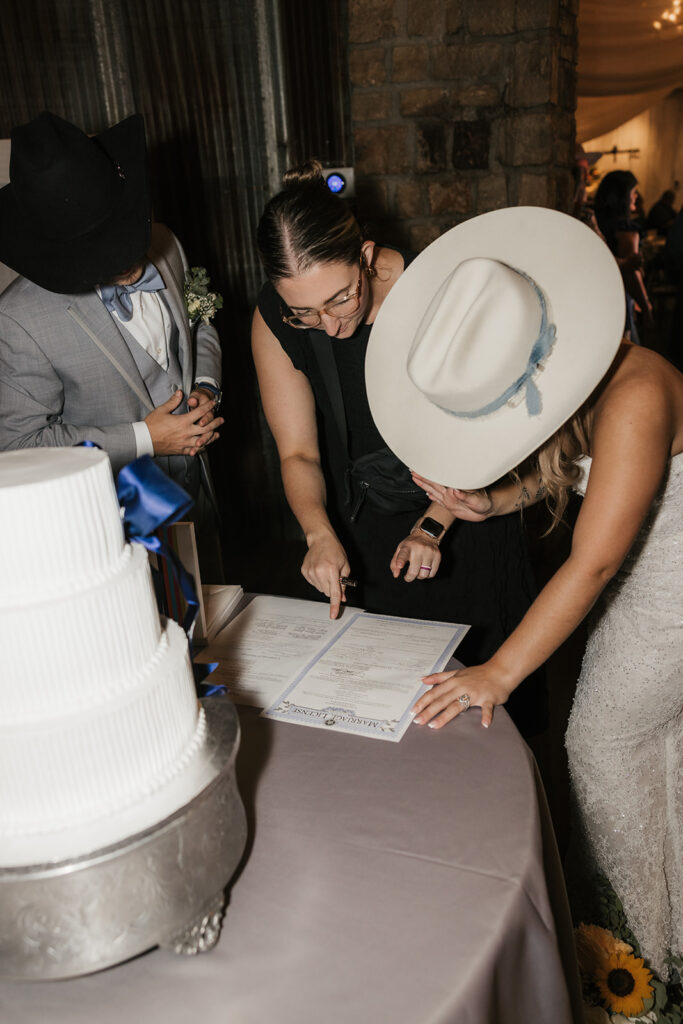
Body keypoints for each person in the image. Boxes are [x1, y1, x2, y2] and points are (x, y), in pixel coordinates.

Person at [364, 205, 682, 978]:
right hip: (642, 563)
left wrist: (497, 673)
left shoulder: (636, 394)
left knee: (599, 743)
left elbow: (593, 561)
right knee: (655, 741)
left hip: (668, 573)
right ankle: (662, 926)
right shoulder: (592, 375)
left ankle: (642, 954)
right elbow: (586, 481)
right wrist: (488, 505)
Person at [251, 161, 544, 734]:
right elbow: (299, 456)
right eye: (304, 312)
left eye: (340, 299)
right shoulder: (275, 318)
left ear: (366, 254)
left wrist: (434, 526)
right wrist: (318, 532)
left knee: (481, 721)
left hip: (466, 513)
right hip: (364, 531)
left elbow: (492, 435)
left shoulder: (441, 291)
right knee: (382, 714)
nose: (330, 326)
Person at [0, 111, 224, 576]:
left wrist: (205, 384)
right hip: (114, 525)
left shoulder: (167, 245)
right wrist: (146, 438)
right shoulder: (18, 320)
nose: (125, 259)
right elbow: (18, 445)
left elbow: (201, 323)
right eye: (98, 251)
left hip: (201, 499)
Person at [594, 169, 652, 343]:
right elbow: (631, 273)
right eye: (633, 192)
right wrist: (646, 305)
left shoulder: (597, 223)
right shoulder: (626, 230)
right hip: (621, 298)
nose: (636, 197)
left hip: (601, 296)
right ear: (623, 197)